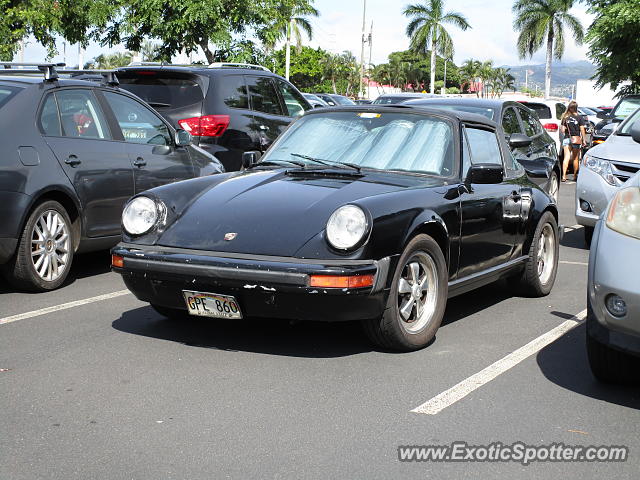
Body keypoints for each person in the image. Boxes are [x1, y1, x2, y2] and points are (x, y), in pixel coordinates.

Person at [560, 101, 586, 182]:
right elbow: (582, 129)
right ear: (576, 108)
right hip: (576, 139)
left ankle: (564, 176)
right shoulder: (580, 117)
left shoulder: (565, 117)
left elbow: (562, 130)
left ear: (570, 108)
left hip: (567, 139)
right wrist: (584, 139)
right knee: (575, 158)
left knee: (566, 157)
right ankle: (575, 176)